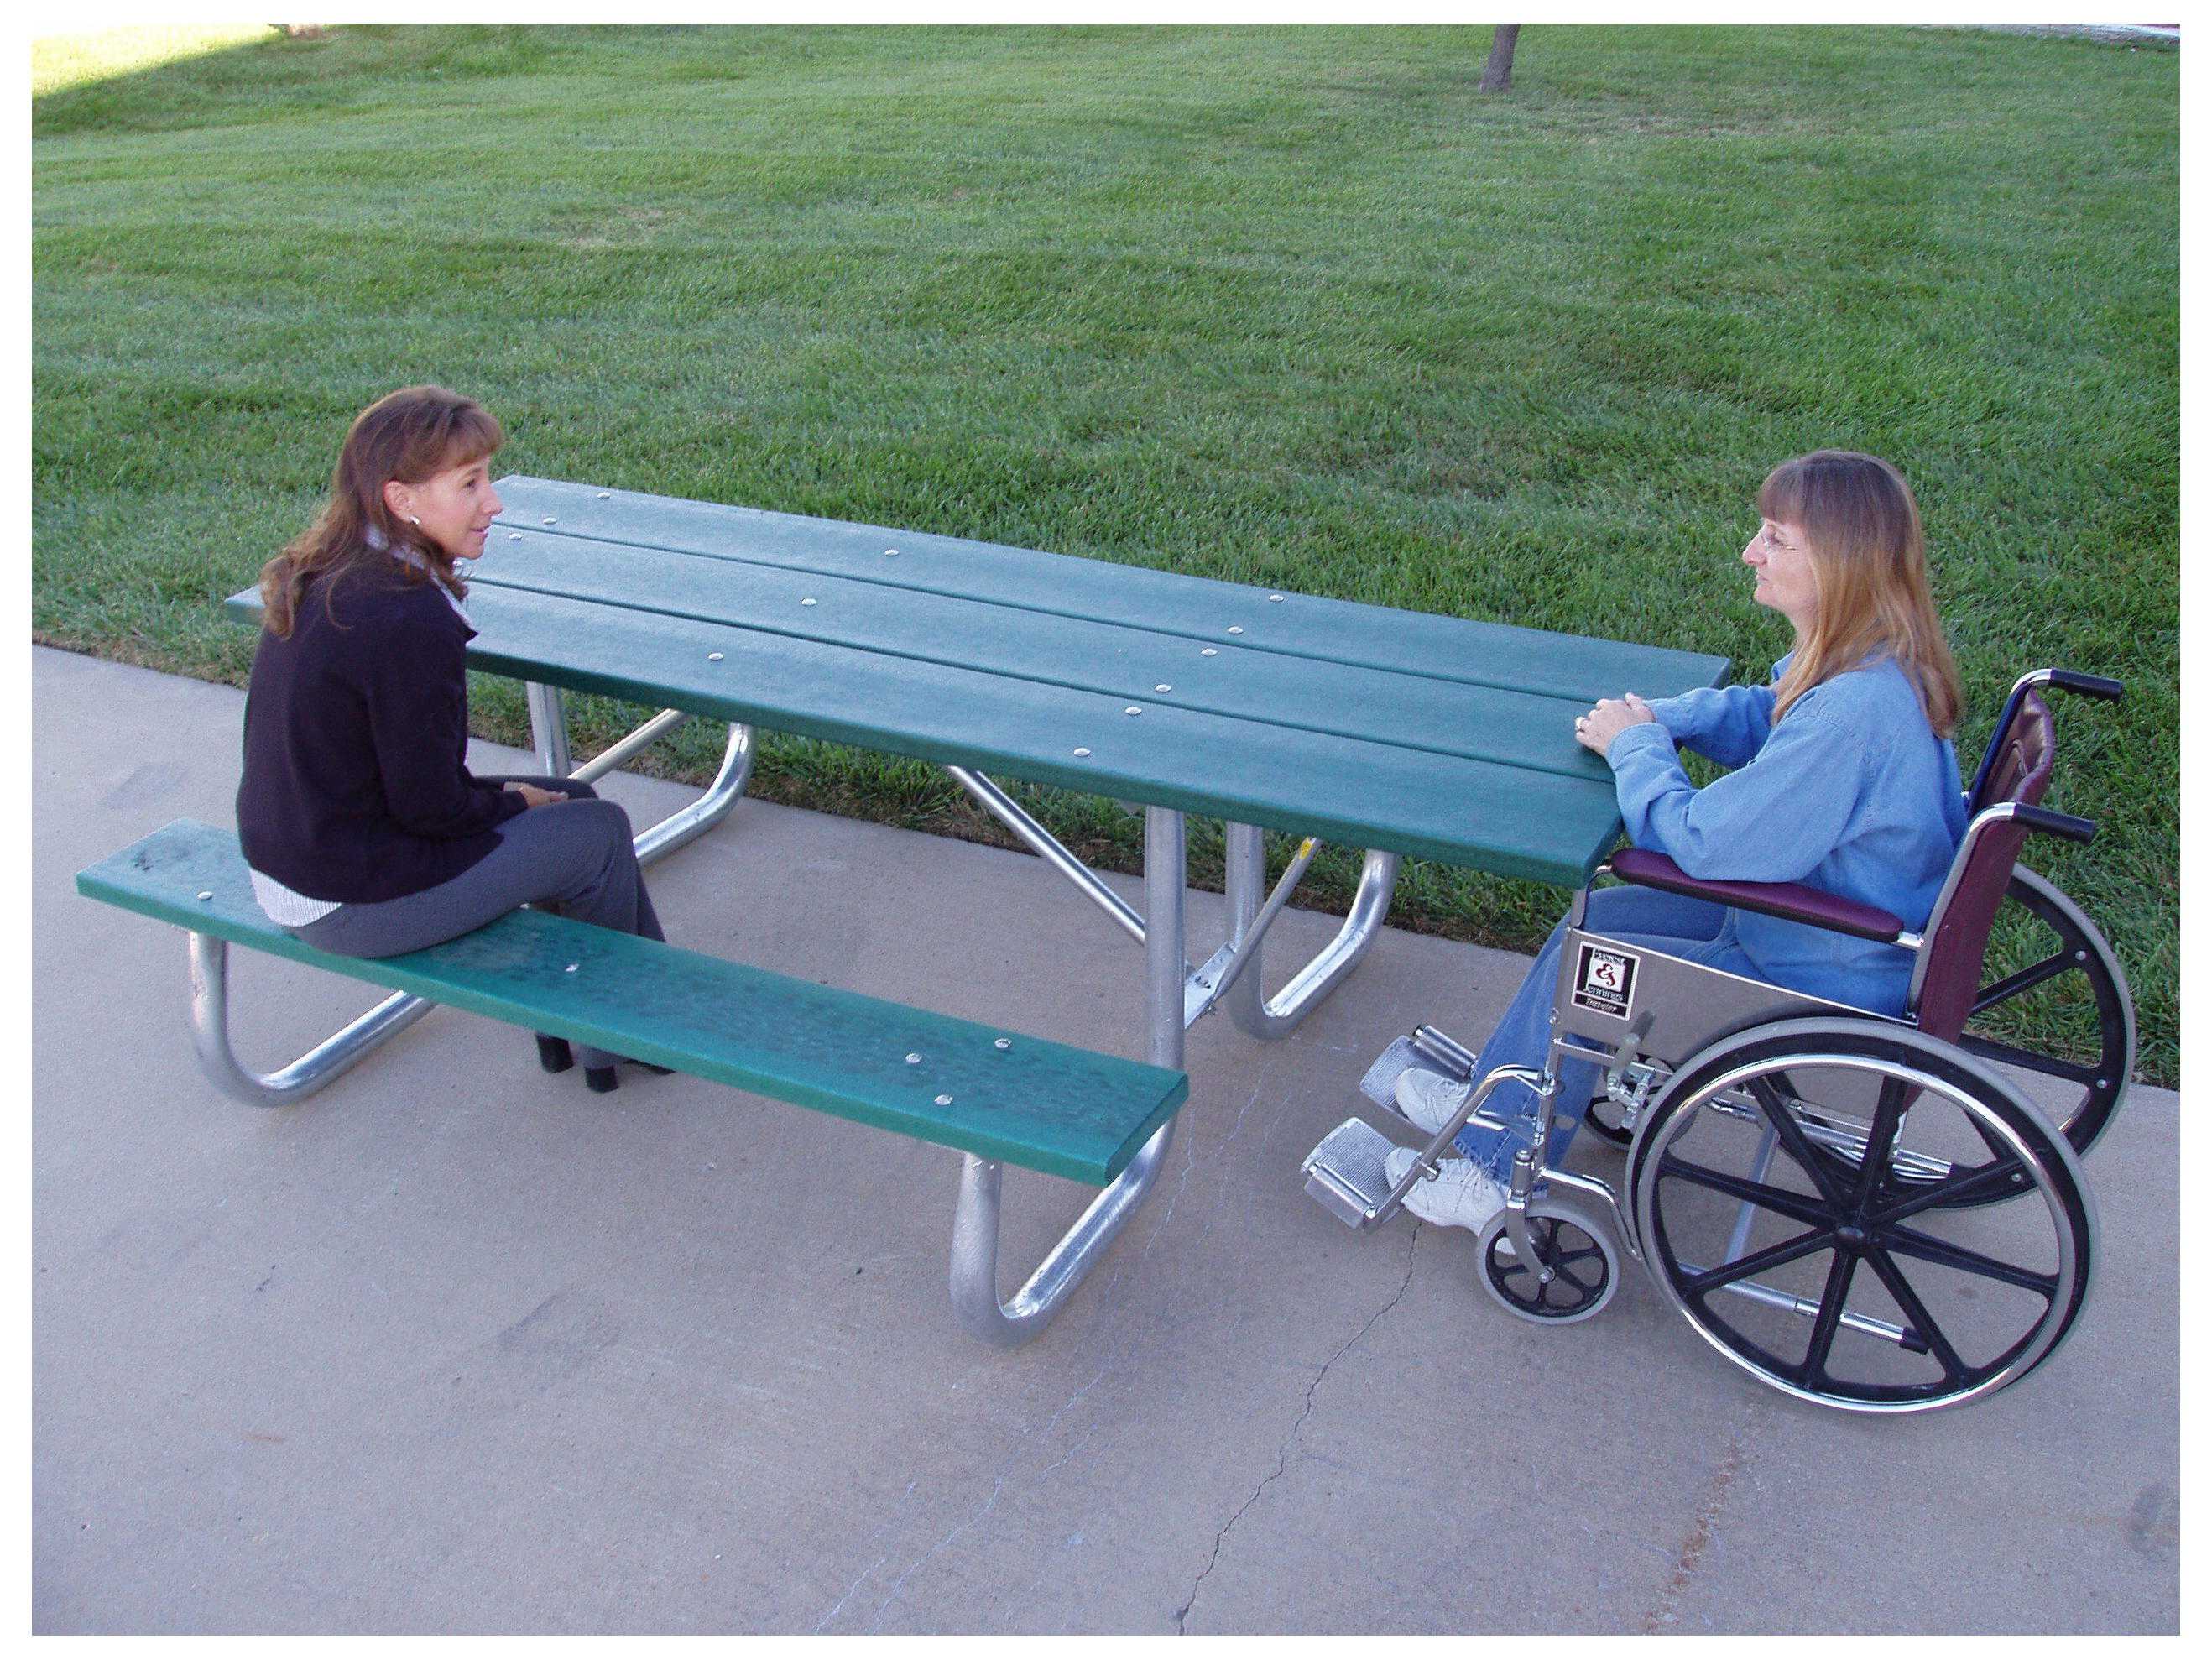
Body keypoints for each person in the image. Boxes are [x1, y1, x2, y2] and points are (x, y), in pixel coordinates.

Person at [1385, 451, 1969, 1229]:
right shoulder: (1871, 665)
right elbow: (1769, 714)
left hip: (1815, 978)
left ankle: (1494, 1174)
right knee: (1596, 927)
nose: (1750, 553)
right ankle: (1509, 1095)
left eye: (1774, 539)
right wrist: (1667, 716)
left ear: (1838, 564)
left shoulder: (1851, 716)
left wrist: (1638, 750)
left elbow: (1702, 844)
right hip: (1821, 933)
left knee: (1592, 965)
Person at [236, 384, 670, 1094]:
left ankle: (576, 1035)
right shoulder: (404, 617)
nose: (493, 502)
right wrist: (516, 803)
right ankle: (638, 1030)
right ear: (401, 498)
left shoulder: (332, 574)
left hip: (302, 858)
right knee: (594, 832)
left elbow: (411, 788)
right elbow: (431, 807)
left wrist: (529, 801)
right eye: (470, 483)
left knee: (572, 798)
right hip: (346, 898)